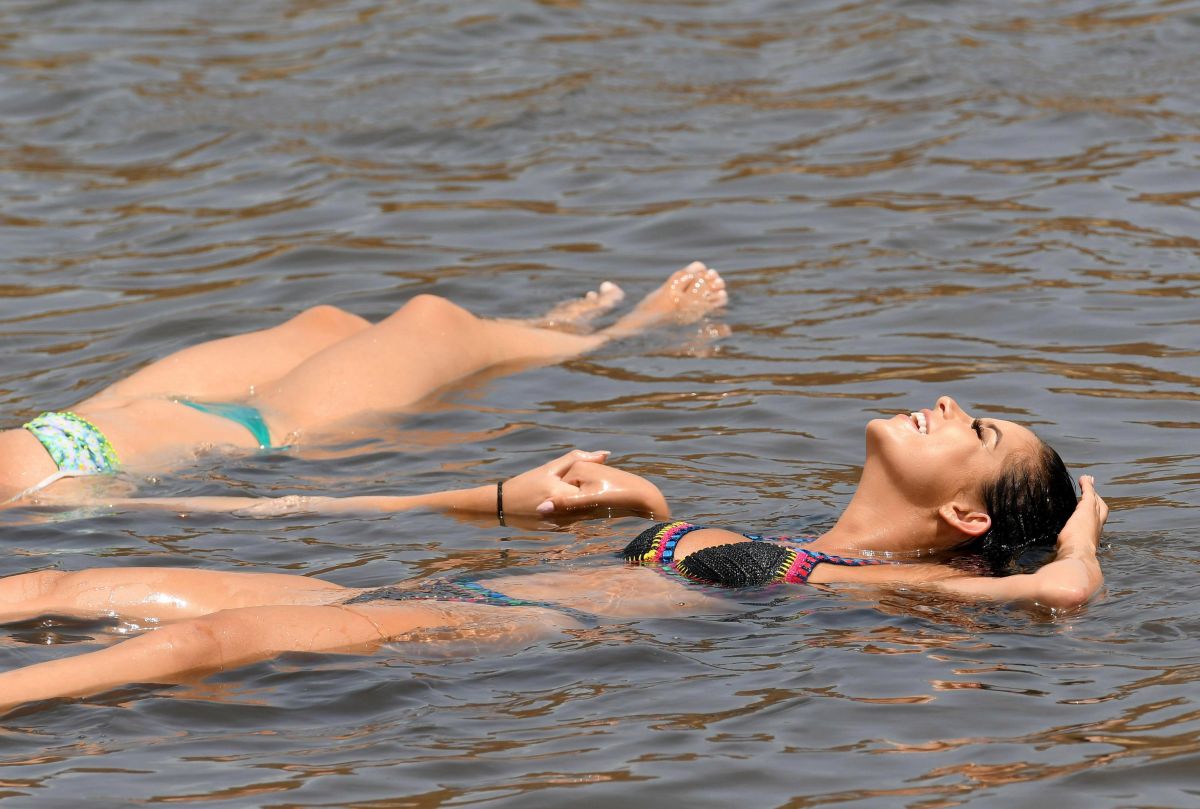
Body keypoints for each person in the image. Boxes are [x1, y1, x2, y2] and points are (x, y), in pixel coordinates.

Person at [0, 398, 1109, 716]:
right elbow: (682, 563)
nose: (952, 404)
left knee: (208, 639)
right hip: (414, 590)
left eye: (981, 433)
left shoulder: (893, 584)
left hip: (474, 627)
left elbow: (1060, 588)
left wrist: (1083, 522)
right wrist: (636, 503)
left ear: (967, 517)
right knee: (62, 585)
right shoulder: (773, 538)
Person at [0, 263, 729, 507]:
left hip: (95, 419)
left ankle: (539, 326)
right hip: (267, 427)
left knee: (329, 323)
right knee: (434, 321)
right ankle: (616, 333)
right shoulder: (40, 511)